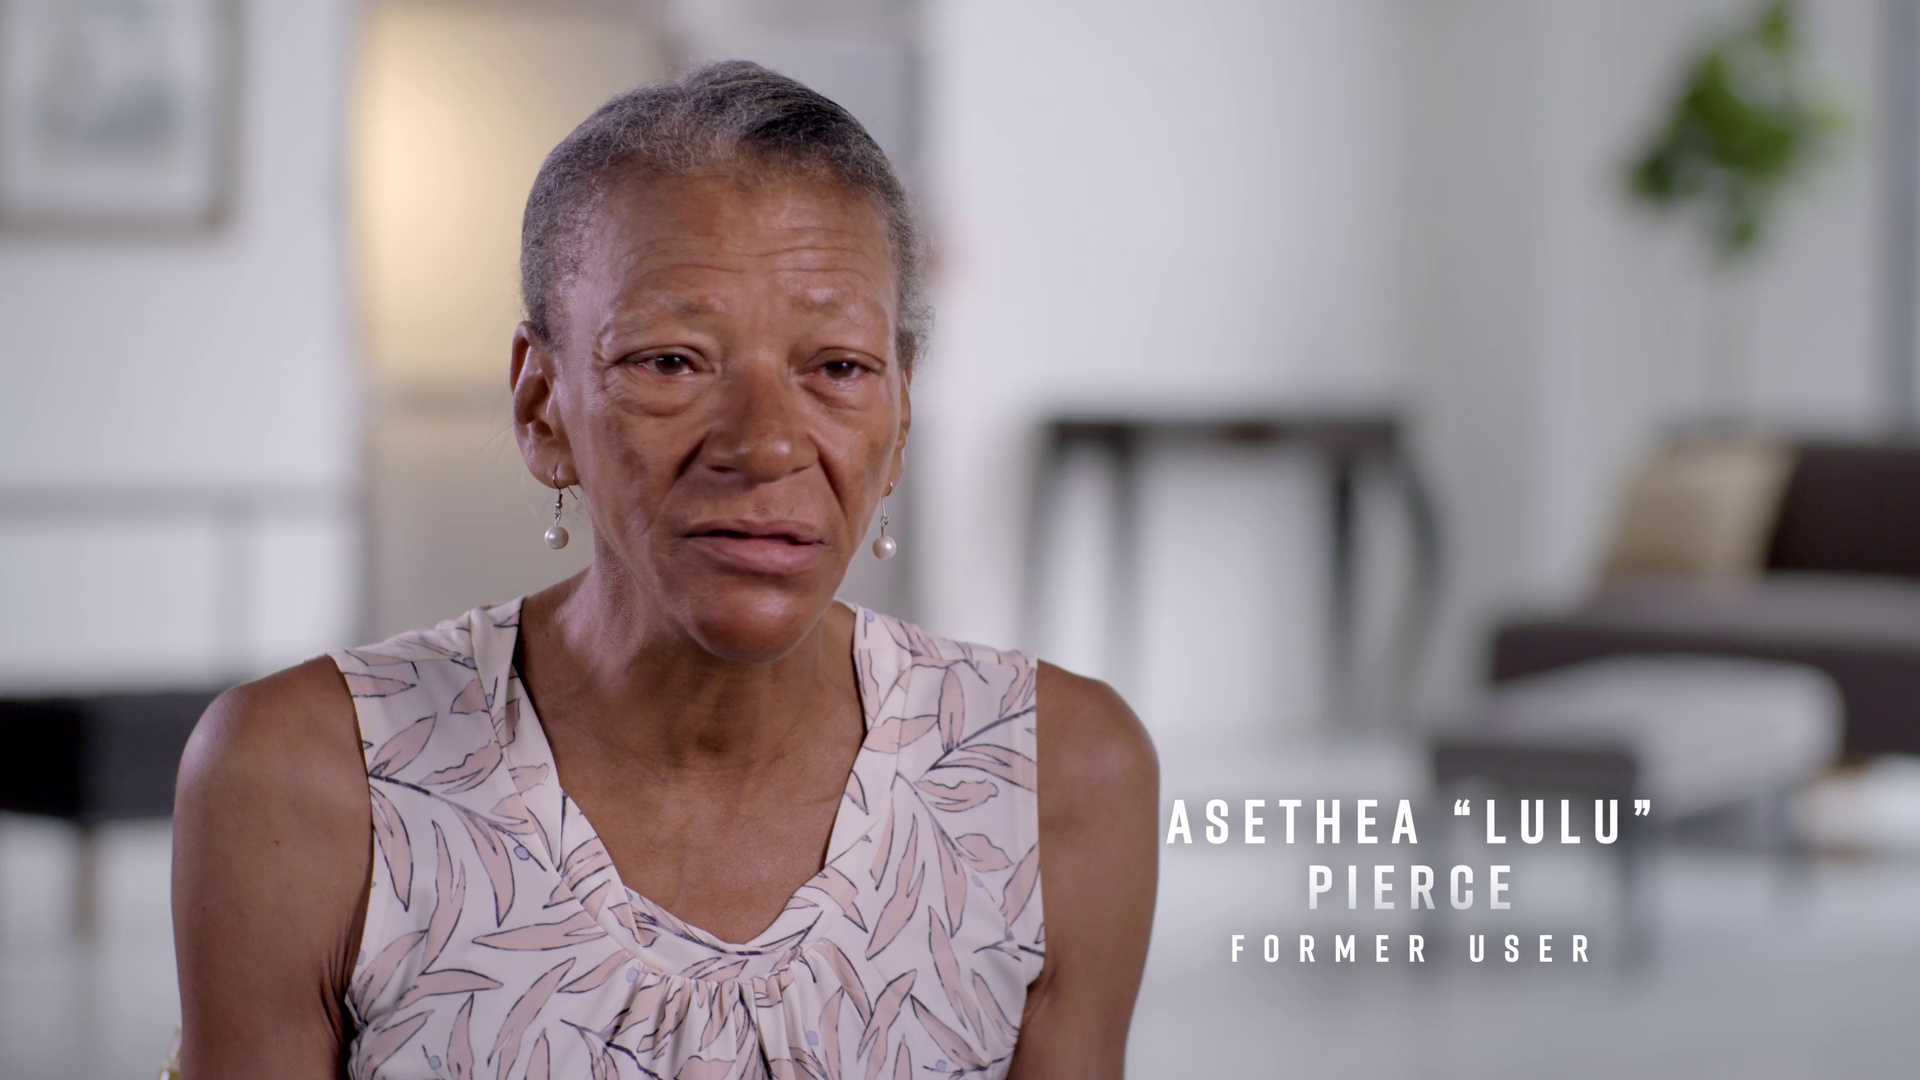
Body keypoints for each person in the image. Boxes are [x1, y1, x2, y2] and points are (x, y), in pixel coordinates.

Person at [171, 60, 1157, 1079]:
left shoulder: (1049, 775)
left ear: (899, 419)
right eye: (672, 362)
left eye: (837, 368)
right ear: (542, 408)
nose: (766, 445)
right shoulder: (309, 779)